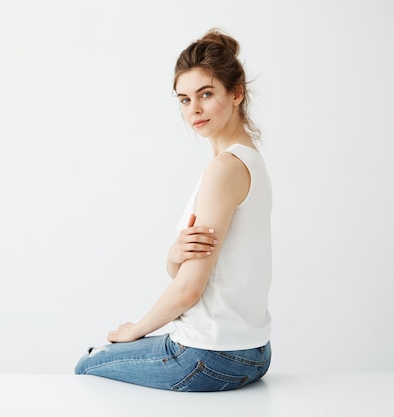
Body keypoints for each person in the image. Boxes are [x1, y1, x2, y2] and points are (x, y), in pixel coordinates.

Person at [74, 28, 273, 392]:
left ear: (237, 93)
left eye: (206, 94)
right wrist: (173, 258)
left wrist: (136, 329)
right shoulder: (249, 162)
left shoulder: (224, 169)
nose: (193, 109)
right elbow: (206, 272)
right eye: (184, 99)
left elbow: (188, 290)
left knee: (86, 364)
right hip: (255, 353)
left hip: (208, 357)